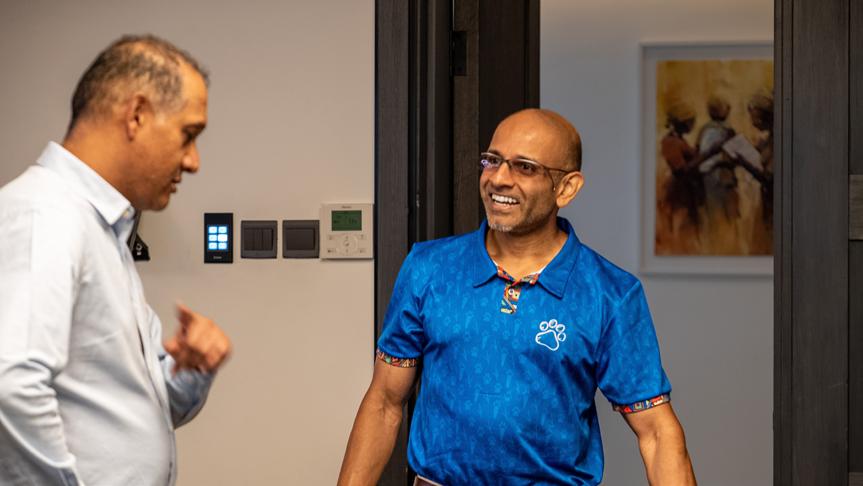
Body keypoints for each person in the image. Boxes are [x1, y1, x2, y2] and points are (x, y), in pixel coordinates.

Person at [338, 109, 695, 485]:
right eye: (492, 160)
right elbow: (384, 403)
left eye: (525, 167)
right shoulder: (429, 268)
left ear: (566, 188)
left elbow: (657, 433)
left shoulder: (609, 294)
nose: (498, 179)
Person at [0, 35, 232, 485]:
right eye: (188, 135)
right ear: (137, 115)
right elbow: (10, 385)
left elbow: (144, 410)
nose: (194, 161)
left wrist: (191, 370)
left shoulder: (102, 231)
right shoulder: (43, 214)